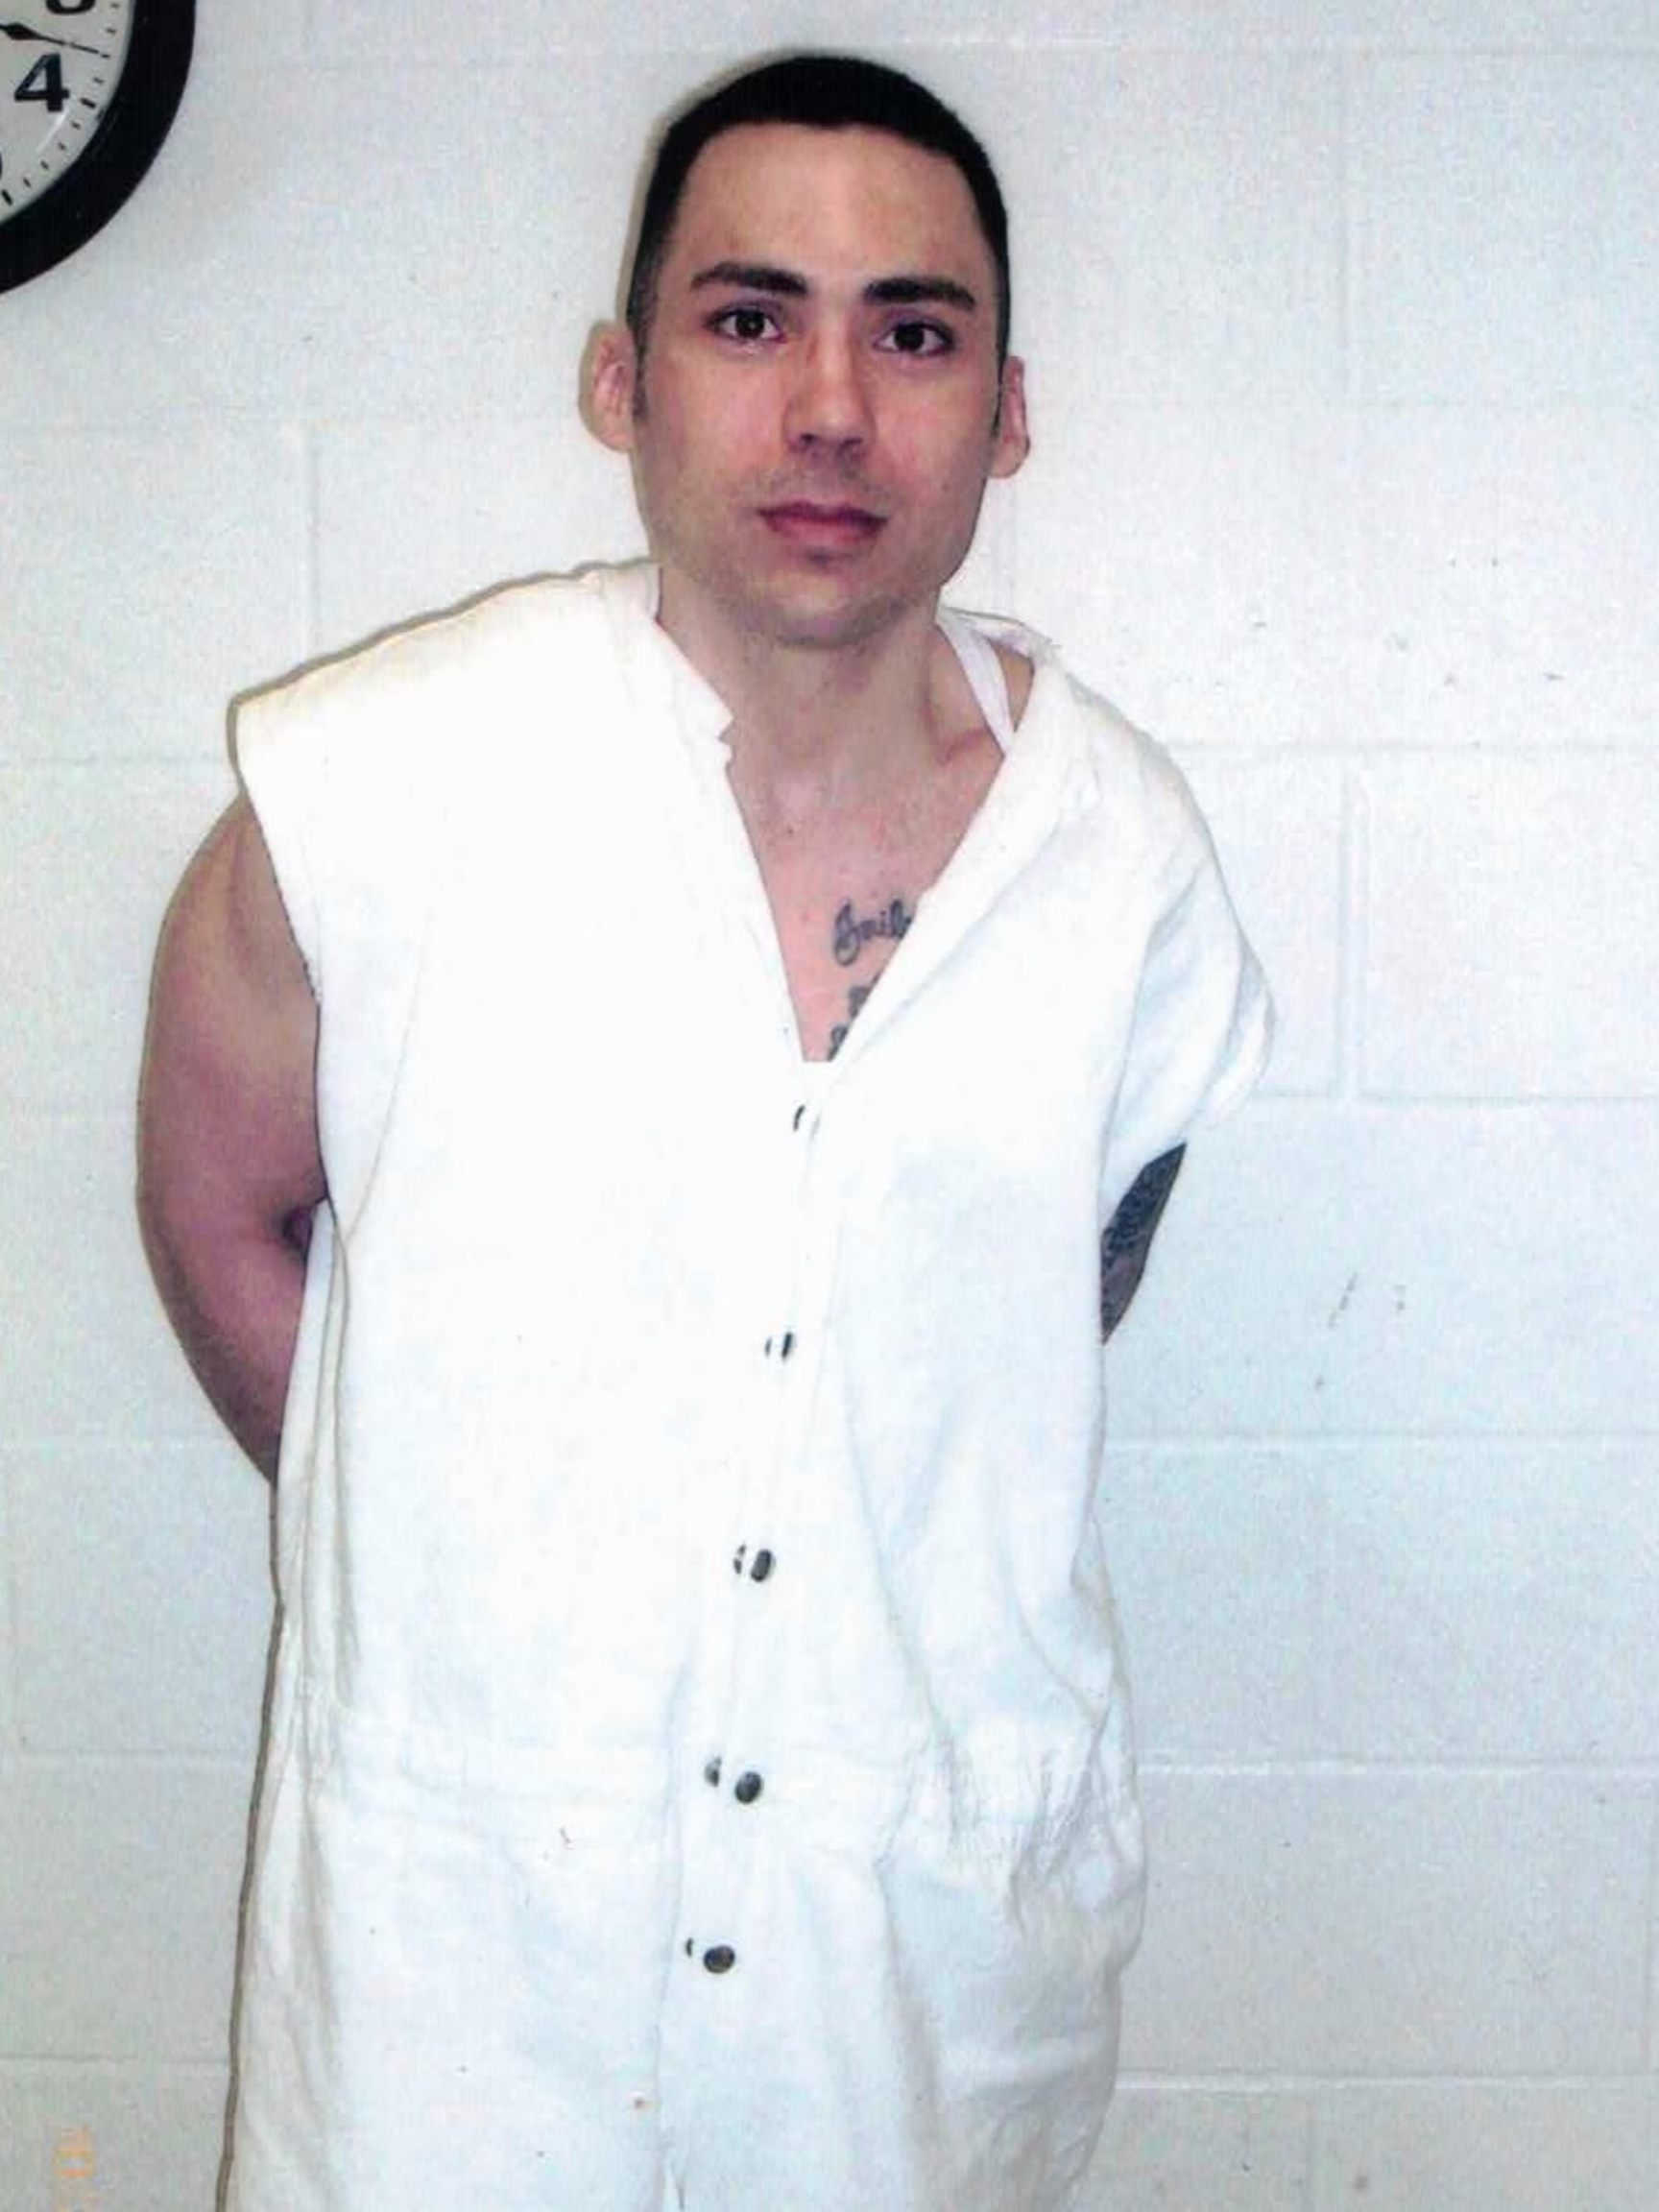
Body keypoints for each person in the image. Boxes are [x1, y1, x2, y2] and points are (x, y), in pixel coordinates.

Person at [137, 52, 1270, 2212]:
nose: (831, 409)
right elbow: (216, 1222)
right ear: (620, 380)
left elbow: (1038, 1323)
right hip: (455, 1990)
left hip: (904, 1980)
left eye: (912, 333)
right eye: (751, 318)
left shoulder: (1123, 865)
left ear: (1008, 412)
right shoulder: (365, 794)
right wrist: (474, 1553)